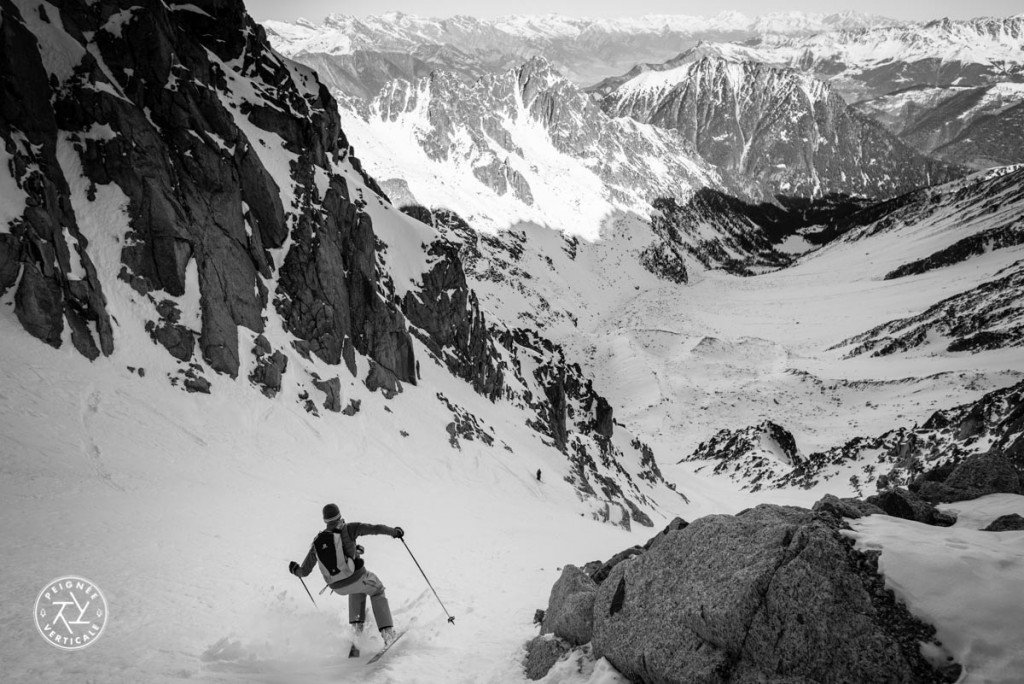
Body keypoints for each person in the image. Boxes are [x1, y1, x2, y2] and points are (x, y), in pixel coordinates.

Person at [289, 503, 404, 645]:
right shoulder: (349, 529)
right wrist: (395, 532)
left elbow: (303, 572)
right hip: (356, 578)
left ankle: (357, 638)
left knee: (356, 591)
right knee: (377, 589)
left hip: (336, 587)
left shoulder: (318, 541)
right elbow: (375, 529)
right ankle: (388, 634)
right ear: (339, 515)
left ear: (325, 520)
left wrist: (295, 569)